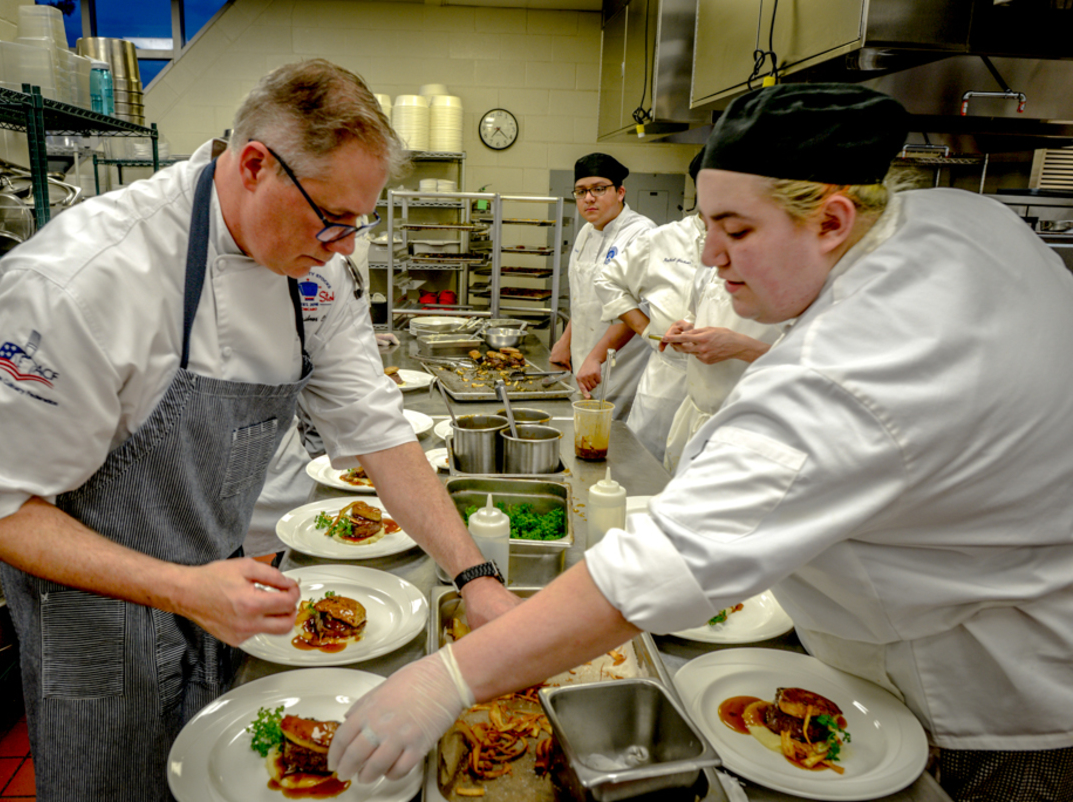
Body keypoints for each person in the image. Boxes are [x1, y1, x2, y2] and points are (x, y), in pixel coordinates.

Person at [327, 83, 1073, 802]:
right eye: (707, 224)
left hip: (990, 701)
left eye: (738, 231)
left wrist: (448, 679)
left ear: (835, 220)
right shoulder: (956, 219)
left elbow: (665, 566)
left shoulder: (858, 368)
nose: (711, 257)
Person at [0, 59, 518, 802]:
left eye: (357, 224)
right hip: (94, 619)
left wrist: (474, 578)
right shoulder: (88, 279)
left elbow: (378, 436)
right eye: (331, 219)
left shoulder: (315, 276)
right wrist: (179, 588)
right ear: (253, 166)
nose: (344, 245)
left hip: (216, 590)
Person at [592, 150, 704, 460]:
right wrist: (646, 332)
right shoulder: (665, 239)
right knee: (644, 466)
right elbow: (607, 282)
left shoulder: (758, 243)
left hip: (723, 382)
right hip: (668, 375)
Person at [548, 153, 655, 418]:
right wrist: (565, 340)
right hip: (585, 359)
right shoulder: (587, 231)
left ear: (620, 192)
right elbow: (585, 298)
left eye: (599, 189)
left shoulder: (642, 234)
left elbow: (639, 309)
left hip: (622, 364)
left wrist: (596, 357)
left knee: (615, 439)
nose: (589, 198)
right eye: (581, 191)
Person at [657, 261, 783, 471]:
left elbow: (817, 364)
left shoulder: (800, 275)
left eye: (736, 232)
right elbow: (695, 314)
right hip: (695, 416)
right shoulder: (710, 265)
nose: (710, 253)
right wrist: (687, 331)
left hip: (752, 434)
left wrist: (743, 348)